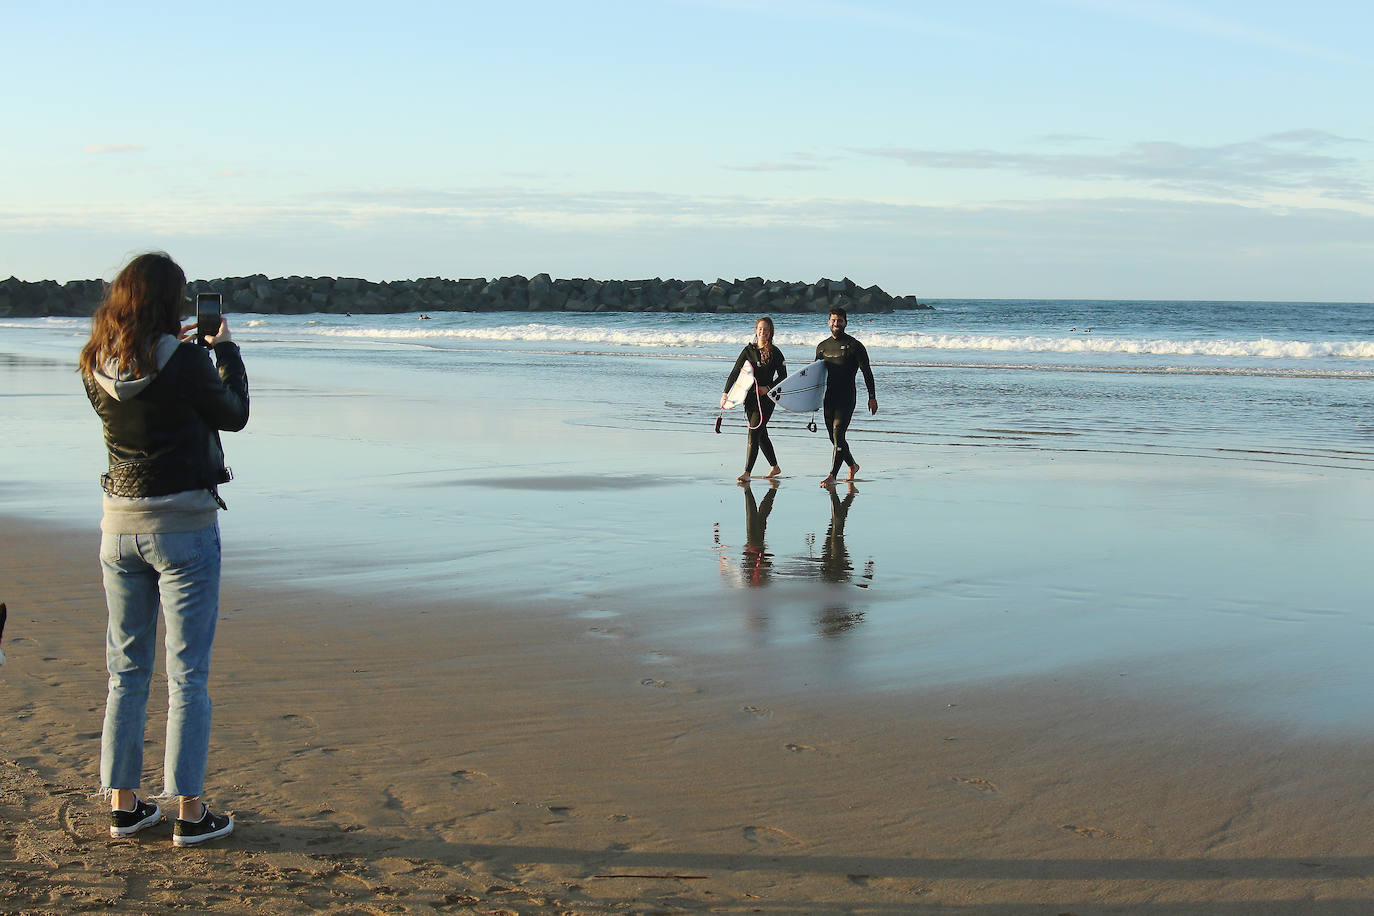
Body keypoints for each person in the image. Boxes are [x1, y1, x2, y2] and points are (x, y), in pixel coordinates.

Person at [78, 252, 249, 847]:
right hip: (183, 527)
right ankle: (189, 811)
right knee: (187, 673)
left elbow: (141, 404)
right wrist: (222, 351)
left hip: (117, 528)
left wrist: (173, 351)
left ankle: (124, 805)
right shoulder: (190, 360)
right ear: (172, 303)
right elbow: (235, 415)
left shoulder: (94, 361)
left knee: (125, 669)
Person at [815, 307, 876, 488]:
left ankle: (832, 475)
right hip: (829, 397)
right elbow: (815, 377)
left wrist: (872, 396)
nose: (836, 324)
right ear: (828, 322)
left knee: (838, 434)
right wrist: (812, 400)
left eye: (840, 320)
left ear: (845, 323)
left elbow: (867, 372)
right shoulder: (822, 347)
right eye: (833, 320)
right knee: (834, 438)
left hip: (847, 397)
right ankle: (853, 465)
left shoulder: (855, 346)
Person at [721, 317, 787, 482]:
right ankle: (775, 466)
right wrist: (726, 393)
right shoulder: (748, 350)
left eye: (766, 330)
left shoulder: (775, 352)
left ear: (770, 332)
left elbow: (783, 376)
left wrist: (768, 388)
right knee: (761, 433)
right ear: (755, 330)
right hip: (749, 398)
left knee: (753, 432)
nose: (762, 332)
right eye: (760, 329)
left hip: (766, 399)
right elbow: (735, 372)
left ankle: (747, 473)